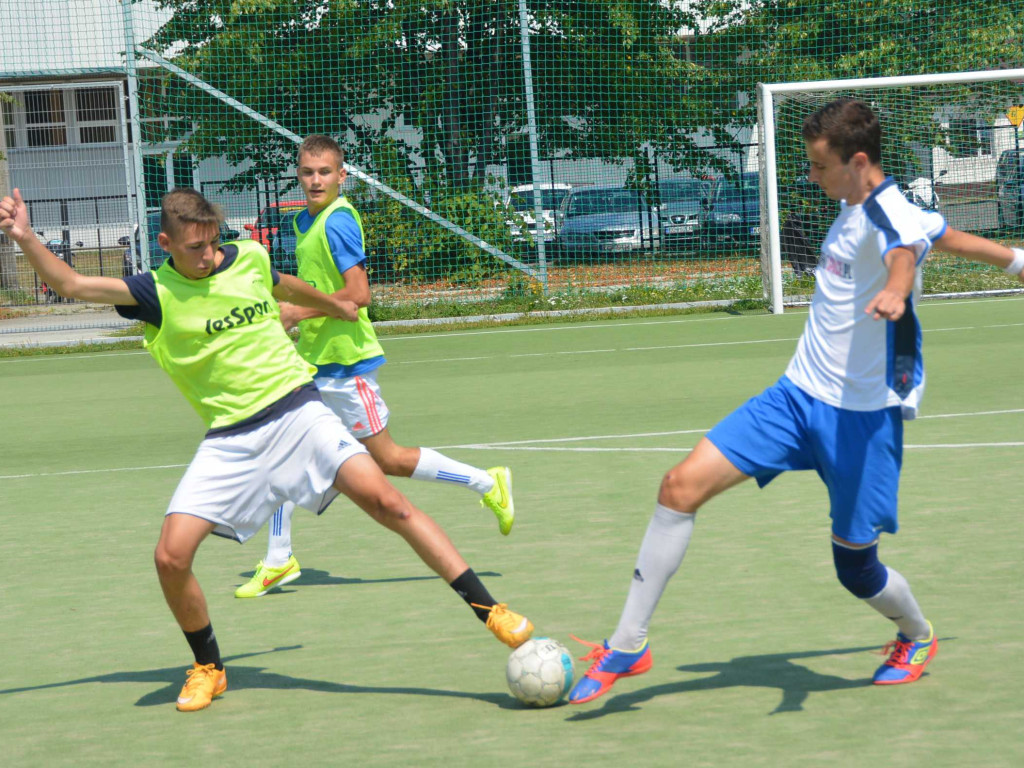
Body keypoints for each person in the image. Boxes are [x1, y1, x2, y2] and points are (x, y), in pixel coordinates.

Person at [0, 187, 533, 713]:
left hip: (299, 412)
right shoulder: (151, 294)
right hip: (231, 439)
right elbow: (67, 281)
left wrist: (335, 305)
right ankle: (208, 666)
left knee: (388, 502)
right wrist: (24, 236)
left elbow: (285, 284)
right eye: (194, 248)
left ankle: (492, 610)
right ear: (165, 243)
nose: (208, 256)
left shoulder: (247, 257)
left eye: (212, 243)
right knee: (170, 556)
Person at [565, 98, 1024, 705]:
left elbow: (905, 253)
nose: (812, 177)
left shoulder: (889, 219)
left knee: (856, 569)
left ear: (858, 162)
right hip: (794, 397)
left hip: (861, 420)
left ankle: (915, 635)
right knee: (678, 487)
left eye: (819, 166)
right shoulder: (866, 202)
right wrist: (1017, 260)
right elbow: (946, 235)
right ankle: (629, 643)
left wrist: (894, 291)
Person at [234, 134, 515, 599]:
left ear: (341, 176)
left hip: (348, 366)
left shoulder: (338, 222)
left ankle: (487, 482)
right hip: (317, 362)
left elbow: (358, 296)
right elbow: (316, 287)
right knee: (282, 451)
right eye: (307, 172)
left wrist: (297, 313)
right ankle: (279, 559)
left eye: (325, 172)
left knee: (388, 460)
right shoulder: (305, 222)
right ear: (298, 175)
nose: (316, 180)